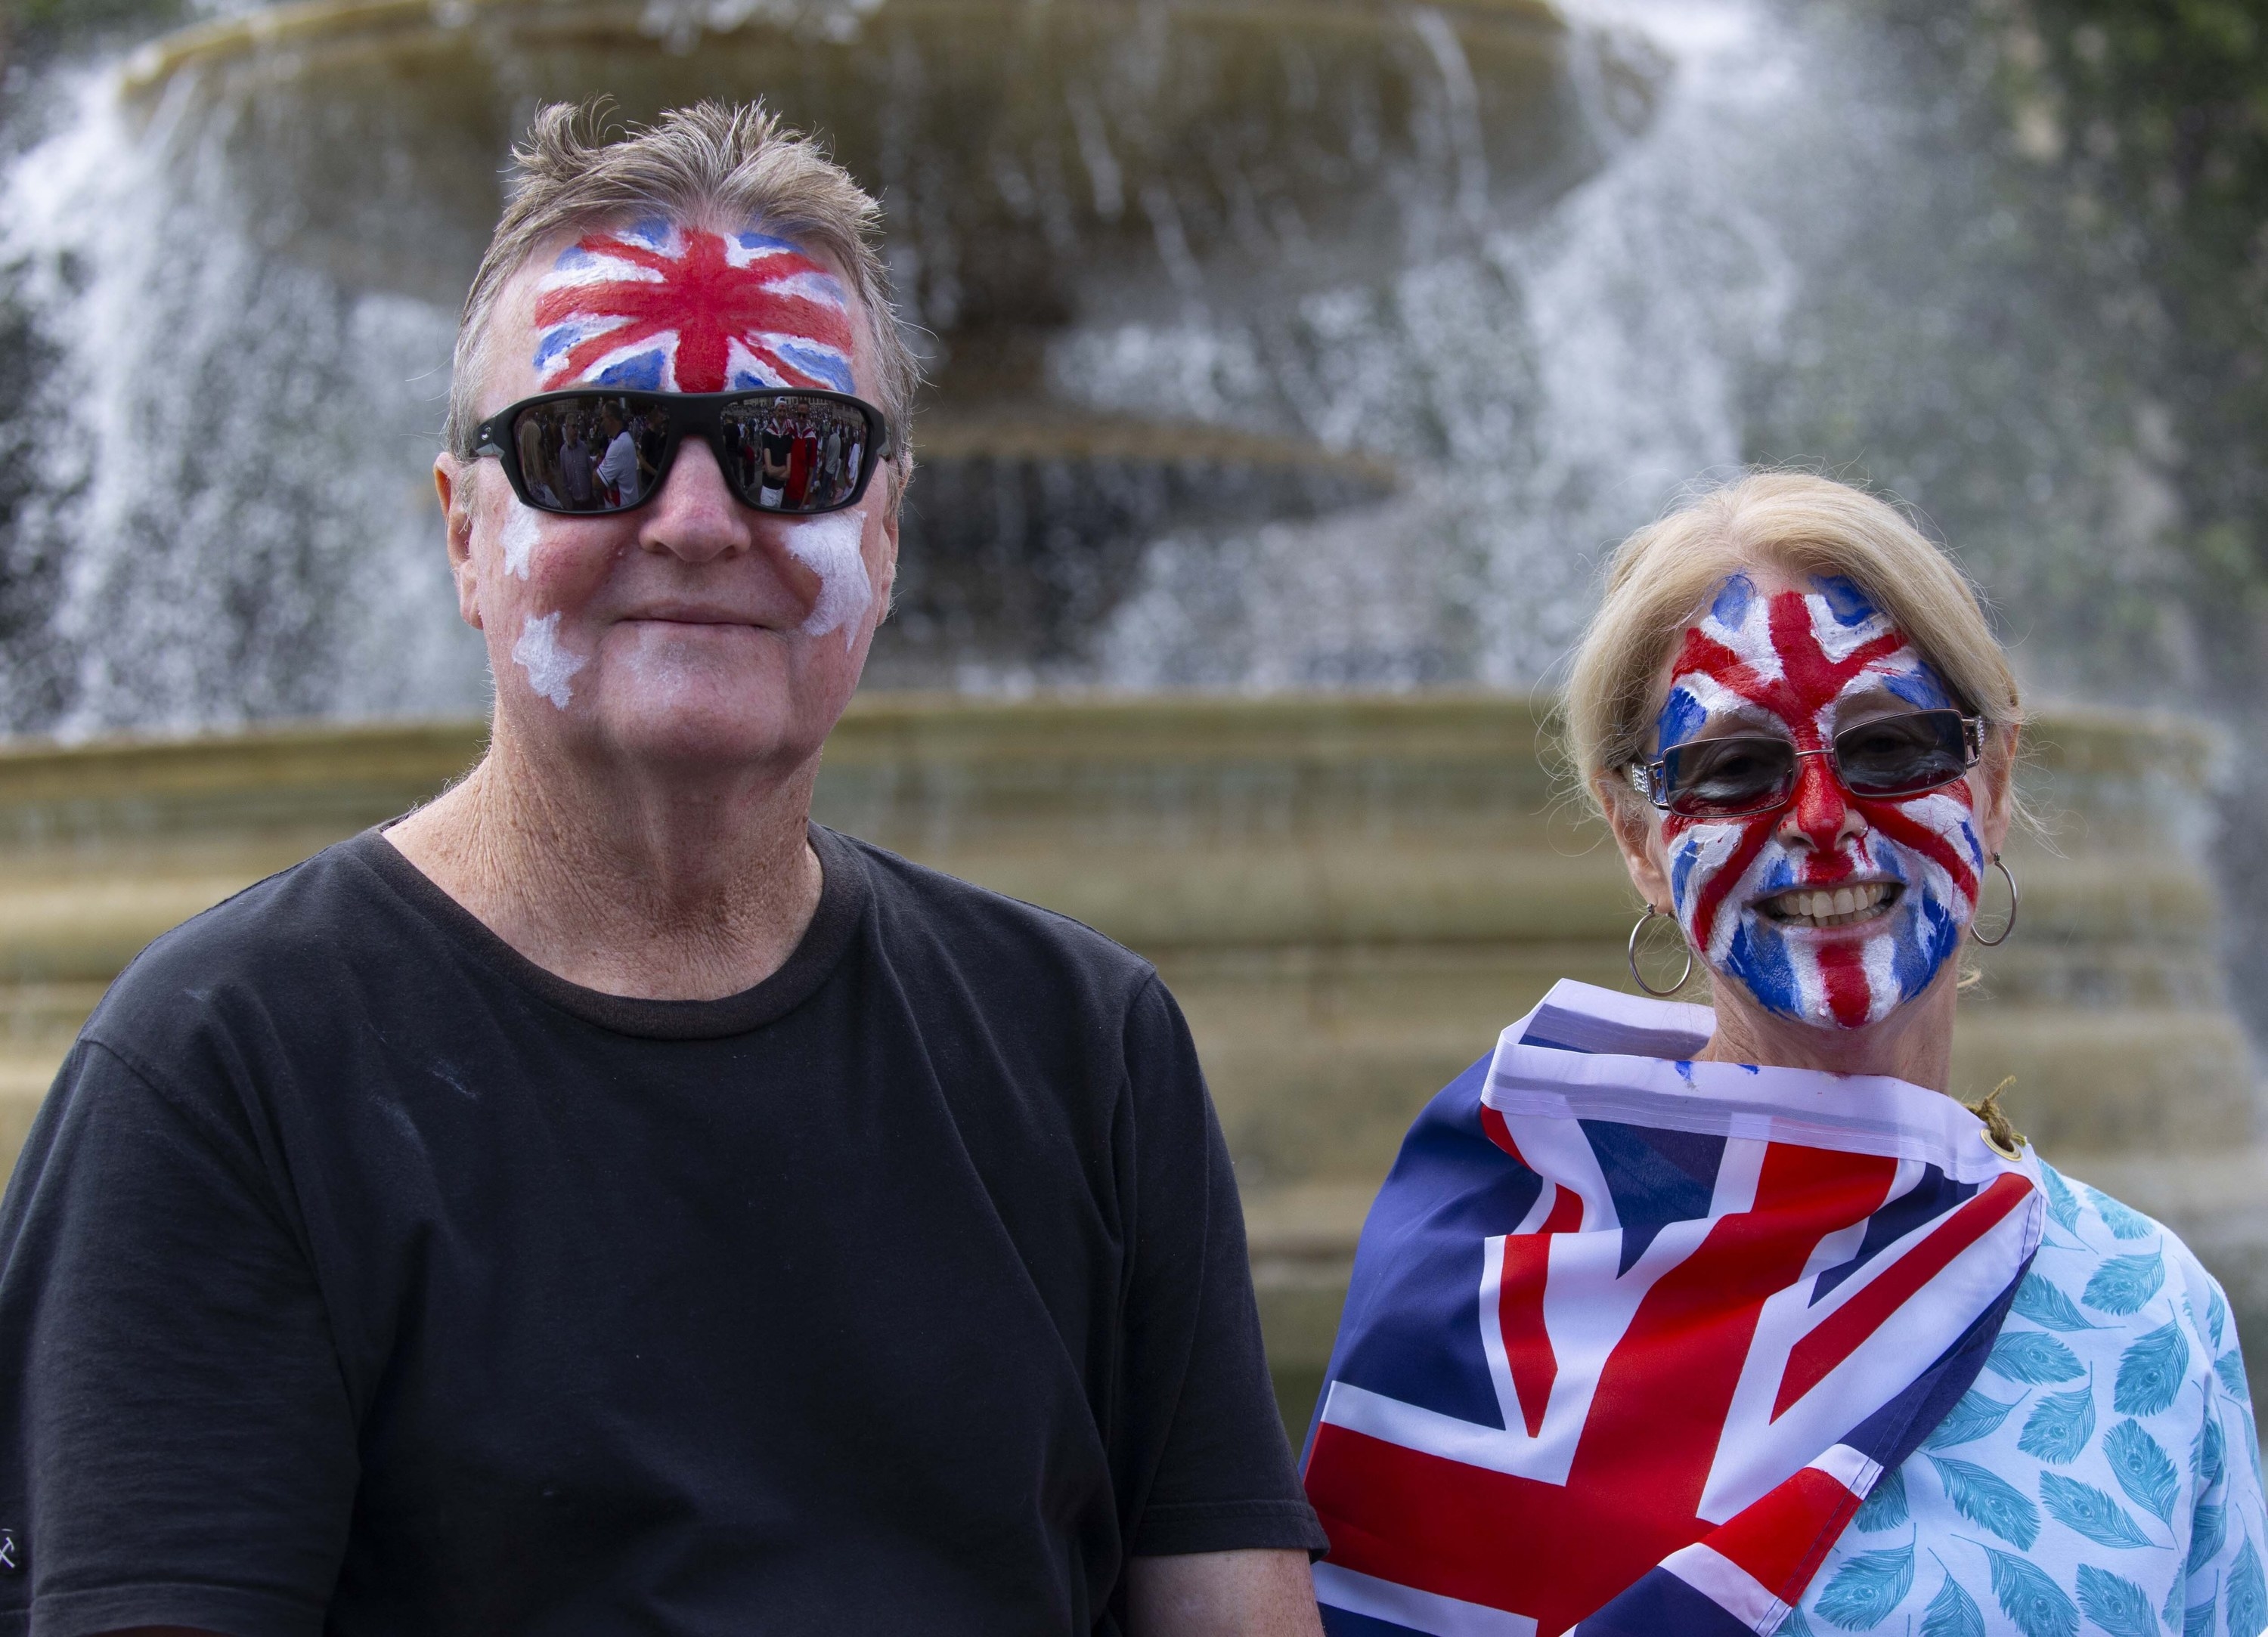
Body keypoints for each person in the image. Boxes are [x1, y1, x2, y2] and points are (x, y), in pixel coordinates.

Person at [0, 101, 1325, 1635]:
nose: (697, 521)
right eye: (592, 448)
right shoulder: (225, 1068)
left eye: (793, 453)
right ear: (463, 539)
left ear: (884, 537)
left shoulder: (1087, 1042)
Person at [1300, 473, 2265, 1636]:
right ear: (1641, 838)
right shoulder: (1489, 1281)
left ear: (1994, 781)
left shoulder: (2148, 1311)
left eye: (1893, 745)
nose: (1819, 817)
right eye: (1736, 767)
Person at [595, 399, 640, 507]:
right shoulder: (620, 439)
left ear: (610, 418)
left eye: (602, 418)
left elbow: (596, 482)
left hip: (622, 513)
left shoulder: (620, 444)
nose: (601, 423)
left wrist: (598, 465)